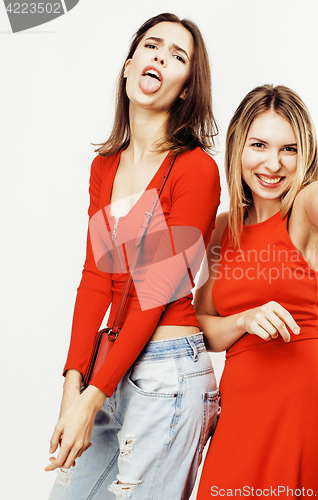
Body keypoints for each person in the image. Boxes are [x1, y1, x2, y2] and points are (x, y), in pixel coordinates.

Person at [46, 13, 221, 500]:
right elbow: (96, 278)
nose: (161, 57)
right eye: (152, 46)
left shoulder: (196, 170)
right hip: (109, 368)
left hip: (167, 371)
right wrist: (73, 391)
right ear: (128, 67)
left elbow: (156, 291)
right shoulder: (104, 167)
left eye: (178, 56)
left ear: (186, 88)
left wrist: (93, 394)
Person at [195, 85, 318, 499]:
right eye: (259, 145)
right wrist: (244, 320)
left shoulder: (305, 209)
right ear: (237, 148)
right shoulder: (222, 228)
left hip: (304, 409)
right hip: (239, 417)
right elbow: (200, 326)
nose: (273, 163)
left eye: (289, 149)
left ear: (304, 156)